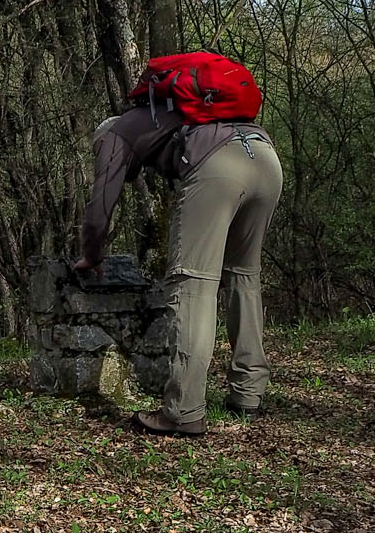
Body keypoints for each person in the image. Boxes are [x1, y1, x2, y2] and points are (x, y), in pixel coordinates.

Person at [77, 60, 282, 435]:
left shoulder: (115, 134)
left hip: (218, 167)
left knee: (193, 285)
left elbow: (99, 209)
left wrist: (92, 254)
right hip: (264, 157)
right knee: (243, 276)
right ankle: (248, 394)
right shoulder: (176, 113)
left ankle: (184, 411)